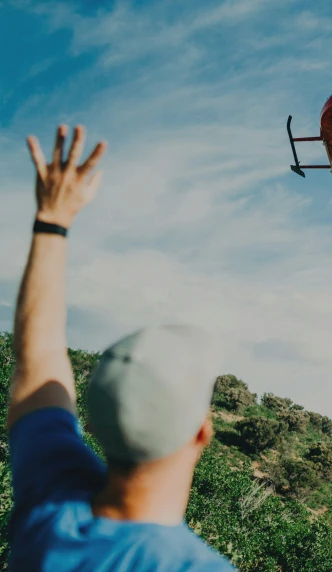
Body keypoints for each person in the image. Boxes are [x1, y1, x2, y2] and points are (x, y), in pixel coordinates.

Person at [6, 124, 236, 570]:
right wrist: (53, 221)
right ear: (202, 432)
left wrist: (52, 219)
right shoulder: (197, 567)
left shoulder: (50, 499)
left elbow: (39, 356)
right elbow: (39, 360)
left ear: (92, 419)